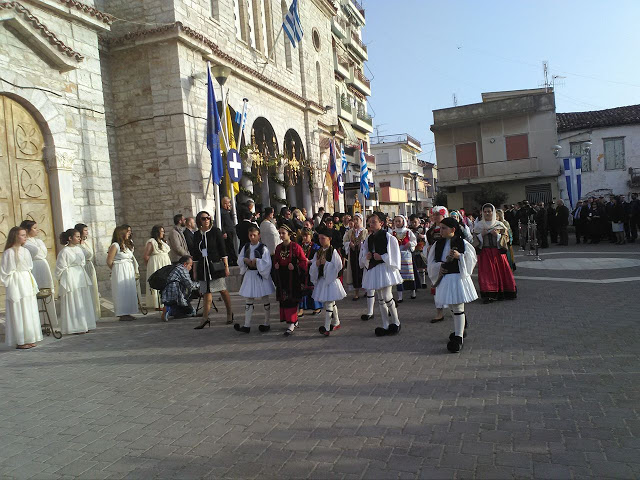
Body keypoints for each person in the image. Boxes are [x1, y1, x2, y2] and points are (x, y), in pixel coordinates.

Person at [427, 217, 478, 353]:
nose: (441, 230)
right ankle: (459, 329)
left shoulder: (463, 243)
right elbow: (431, 263)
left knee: (457, 306)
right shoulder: (437, 244)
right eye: (441, 228)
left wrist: (459, 256)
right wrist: (440, 267)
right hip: (445, 278)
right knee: (451, 305)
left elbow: (471, 259)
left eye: (444, 228)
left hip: (457, 278)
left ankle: (458, 337)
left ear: (453, 230)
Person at [359, 211, 403, 336]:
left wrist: (382, 257)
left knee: (387, 296)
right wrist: (367, 257)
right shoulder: (368, 239)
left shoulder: (389, 237)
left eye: (374, 222)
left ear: (381, 223)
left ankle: (396, 321)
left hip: (385, 269)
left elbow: (394, 255)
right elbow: (364, 254)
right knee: (380, 298)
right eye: (370, 222)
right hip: (375, 269)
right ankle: (385, 324)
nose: (371, 224)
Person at [1, 226, 42, 349]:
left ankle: (29, 337)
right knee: (18, 310)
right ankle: (20, 340)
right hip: (16, 283)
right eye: (22, 235)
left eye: (25, 235)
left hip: (26, 280)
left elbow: (29, 266)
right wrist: (11, 284)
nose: (25, 237)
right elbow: (4, 272)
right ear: (15, 236)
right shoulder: (9, 252)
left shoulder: (26, 251)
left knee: (28, 309)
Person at [193, 211, 233, 327]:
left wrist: (226, 266)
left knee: (222, 289)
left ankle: (229, 312)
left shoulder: (215, 232)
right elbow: (195, 254)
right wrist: (195, 271)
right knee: (206, 292)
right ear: (199, 221)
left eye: (208, 218)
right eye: (203, 218)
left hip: (215, 265)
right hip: (203, 266)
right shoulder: (197, 235)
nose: (206, 220)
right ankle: (205, 317)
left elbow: (222, 250)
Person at [234, 225, 275, 333]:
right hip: (250, 274)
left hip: (260, 275)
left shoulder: (263, 248)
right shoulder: (246, 247)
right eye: (250, 235)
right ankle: (247, 325)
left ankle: (267, 323)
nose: (252, 237)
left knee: (265, 298)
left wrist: (257, 261)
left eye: (254, 235)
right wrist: (245, 260)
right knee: (249, 299)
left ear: (259, 236)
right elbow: (240, 258)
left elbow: (267, 263)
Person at [55, 228, 97, 334]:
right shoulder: (64, 251)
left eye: (79, 236)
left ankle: (86, 323)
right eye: (77, 237)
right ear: (70, 238)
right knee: (74, 300)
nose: (79, 238)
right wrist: (63, 279)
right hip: (70, 277)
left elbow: (83, 260)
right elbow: (60, 267)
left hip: (80, 275)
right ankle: (75, 326)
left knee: (83, 299)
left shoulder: (79, 249)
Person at [473, 204, 517, 303]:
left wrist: (497, 235)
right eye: (485, 211)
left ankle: (503, 291)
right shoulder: (479, 225)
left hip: (498, 252)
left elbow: (506, 239)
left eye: (489, 211)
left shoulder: (500, 225)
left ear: (493, 212)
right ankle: (489, 294)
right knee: (487, 273)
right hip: (485, 252)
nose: (487, 213)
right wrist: (481, 235)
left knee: (500, 271)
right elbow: (474, 240)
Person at [310, 225, 347, 336]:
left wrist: (326, 264)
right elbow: (313, 264)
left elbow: (338, 266)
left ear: (329, 239)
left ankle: (326, 327)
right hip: (322, 280)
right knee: (330, 303)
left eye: (323, 238)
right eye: (320, 238)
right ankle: (336, 321)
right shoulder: (319, 252)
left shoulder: (333, 251)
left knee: (329, 304)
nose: (321, 241)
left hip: (331, 281)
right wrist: (316, 264)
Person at [20, 220, 58, 328]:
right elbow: (37, 254)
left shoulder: (39, 241)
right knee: (36, 292)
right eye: (34, 228)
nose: (37, 230)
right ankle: (38, 323)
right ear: (27, 230)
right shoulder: (25, 243)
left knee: (46, 291)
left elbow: (43, 254)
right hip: (34, 268)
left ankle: (48, 321)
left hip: (44, 267)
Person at [273, 223, 308, 335]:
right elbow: (275, 260)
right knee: (284, 299)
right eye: (280, 233)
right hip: (282, 277)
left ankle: (291, 322)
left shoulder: (295, 247)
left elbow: (303, 261)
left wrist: (295, 266)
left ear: (289, 234)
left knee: (291, 300)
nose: (281, 235)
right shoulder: (278, 247)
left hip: (293, 278)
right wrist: (276, 264)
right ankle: (292, 320)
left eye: (284, 233)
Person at [107, 225, 139, 321]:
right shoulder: (115, 246)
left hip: (128, 268)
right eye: (127, 231)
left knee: (129, 290)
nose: (129, 233)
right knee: (121, 291)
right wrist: (116, 270)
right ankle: (122, 313)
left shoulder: (129, 244)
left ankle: (128, 311)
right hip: (119, 269)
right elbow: (109, 261)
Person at [423, 206, 448, 323]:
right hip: (435, 260)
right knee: (436, 285)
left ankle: (457, 312)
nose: (436, 216)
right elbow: (427, 244)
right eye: (434, 214)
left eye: (438, 214)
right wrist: (427, 249)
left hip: (447, 259)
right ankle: (439, 312)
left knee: (450, 285)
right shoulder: (430, 231)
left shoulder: (450, 228)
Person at [161, 255, 199, 321]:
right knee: (188, 310)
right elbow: (190, 285)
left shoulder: (175, 267)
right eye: (190, 265)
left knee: (179, 312)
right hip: (175, 293)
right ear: (185, 264)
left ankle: (169, 309)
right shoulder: (182, 269)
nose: (191, 268)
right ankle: (169, 310)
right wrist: (200, 285)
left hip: (166, 293)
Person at [75, 223, 101, 318]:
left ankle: (93, 313)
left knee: (92, 288)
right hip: (82, 267)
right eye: (85, 230)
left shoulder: (86, 243)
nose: (87, 232)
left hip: (89, 266)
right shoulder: (76, 245)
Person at [143, 225, 172, 310]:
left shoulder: (163, 242)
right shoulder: (151, 242)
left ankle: (165, 301)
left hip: (165, 262)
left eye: (163, 231)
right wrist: (149, 266)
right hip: (156, 263)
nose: (163, 233)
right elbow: (146, 255)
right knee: (158, 282)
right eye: (161, 231)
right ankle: (157, 303)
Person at [392, 215, 417, 302]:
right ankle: (400, 296)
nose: (397, 223)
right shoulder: (393, 233)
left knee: (410, 274)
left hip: (407, 256)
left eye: (399, 221)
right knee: (399, 275)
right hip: (397, 256)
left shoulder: (408, 231)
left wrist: (410, 244)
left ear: (403, 222)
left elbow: (414, 241)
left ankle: (413, 292)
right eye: (396, 221)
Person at [299, 228, 322, 316]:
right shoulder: (299, 246)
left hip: (311, 269)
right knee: (301, 289)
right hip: (302, 270)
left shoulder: (315, 247)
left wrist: (310, 261)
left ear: (311, 236)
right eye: (303, 236)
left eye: (306, 235)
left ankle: (317, 307)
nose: (305, 238)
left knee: (312, 288)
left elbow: (318, 258)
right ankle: (301, 308)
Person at [343, 213, 367, 300]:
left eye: (357, 219)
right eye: (354, 219)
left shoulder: (365, 231)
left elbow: (367, 242)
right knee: (354, 272)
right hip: (353, 254)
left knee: (363, 272)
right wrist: (349, 244)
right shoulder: (350, 232)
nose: (355, 221)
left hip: (362, 254)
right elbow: (344, 241)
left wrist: (362, 244)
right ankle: (356, 292)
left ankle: (366, 290)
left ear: (361, 220)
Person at [221, 197, 238, 266]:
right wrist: (223, 232)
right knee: (229, 246)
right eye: (228, 203)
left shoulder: (228, 211)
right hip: (227, 231)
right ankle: (232, 260)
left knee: (232, 245)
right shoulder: (221, 211)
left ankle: (233, 259)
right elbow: (221, 223)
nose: (229, 204)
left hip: (231, 230)